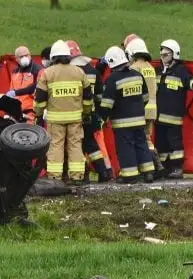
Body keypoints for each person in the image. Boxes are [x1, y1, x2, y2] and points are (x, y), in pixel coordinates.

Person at [34, 40, 93, 184]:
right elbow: (87, 97)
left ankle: (55, 177)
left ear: (53, 57)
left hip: (55, 119)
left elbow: (40, 99)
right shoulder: (79, 72)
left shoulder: (48, 73)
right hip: (75, 118)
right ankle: (77, 176)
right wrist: (86, 113)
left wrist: (38, 114)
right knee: (75, 145)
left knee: (56, 146)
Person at [98, 45, 155, 184]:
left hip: (122, 123)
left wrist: (102, 118)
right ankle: (148, 173)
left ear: (111, 62)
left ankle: (130, 175)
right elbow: (146, 97)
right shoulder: (137, 75)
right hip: (139, 120)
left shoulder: (112, 79)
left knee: (126, 148)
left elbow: (107, 104)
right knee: (141, 144)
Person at [156, 39, 193, 180]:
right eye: (162, 55)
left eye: (166, 55)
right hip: (158, 117)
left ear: (174, 54)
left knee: (174, 142)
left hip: (173, 117)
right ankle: (163, 168)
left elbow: (189, 79)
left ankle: (177, 168)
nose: (163, 57)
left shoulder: (180, 70)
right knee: (160, 143)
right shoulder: (158, 70)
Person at [69, 40, 114, 183]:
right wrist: (99, 115)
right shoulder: (93, 71)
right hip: (91, 114)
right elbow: (100, 96)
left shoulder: (70, 72)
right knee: (91, 144)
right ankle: (103, 172)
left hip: (74, 114)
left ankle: (82, 175)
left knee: (76, 145)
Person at [125, 37, 162, 173]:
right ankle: (156, 164)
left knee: (139, 140)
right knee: (147, 138)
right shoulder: (150, 67)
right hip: (152, 109)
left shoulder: (134, 68)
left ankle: (151, 166)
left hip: (140, 109)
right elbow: (155, 88)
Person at [0, 46, 42, 123]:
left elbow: (36, 87)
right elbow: (11, 92)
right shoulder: (15, 72)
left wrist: (16, 92)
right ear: (16, 59)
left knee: (28, 130)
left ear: (30, 55)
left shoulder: (38, 70)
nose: (24, 58)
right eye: (21, 57)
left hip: (31, 111)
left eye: (26, 55)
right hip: (16, 110)